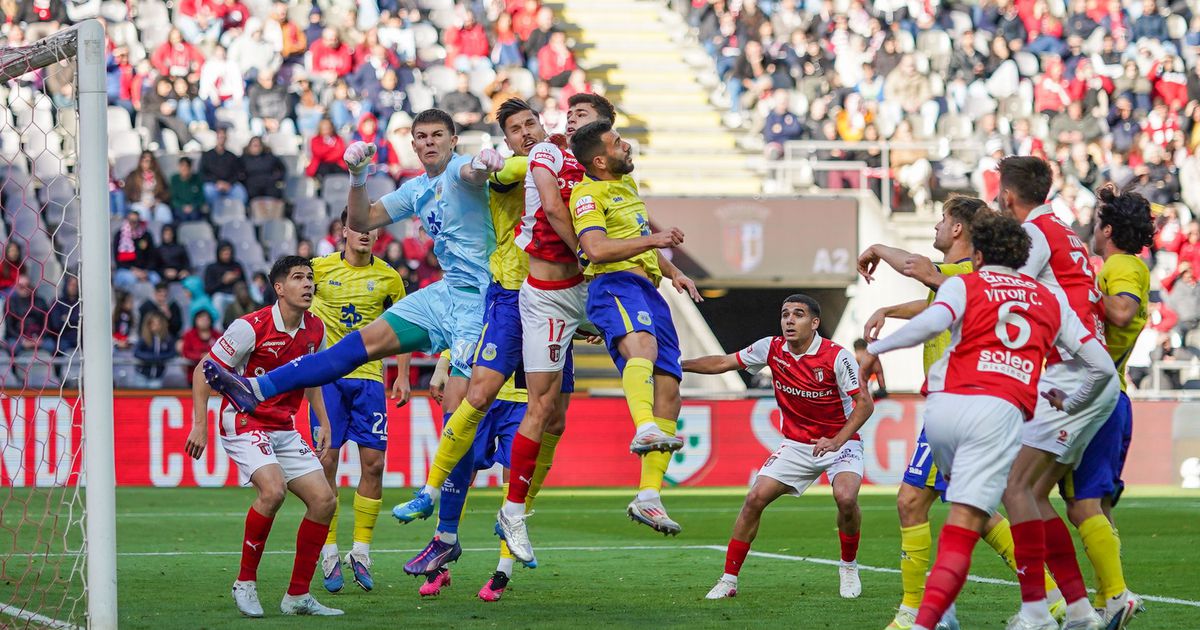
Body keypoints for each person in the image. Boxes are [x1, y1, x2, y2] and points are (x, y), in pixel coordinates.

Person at [201, 111, 505, 527]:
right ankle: (255, 387)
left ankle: (445, 536)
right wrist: (358, 177)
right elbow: (362, 220)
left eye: (438, 135)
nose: (429, 142)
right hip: (445, 293)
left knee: (457, 415)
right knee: (360, 345)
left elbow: (471, 175)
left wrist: (481, 164)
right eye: (421, 136)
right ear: (412, 144)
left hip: (484, 302)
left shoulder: (459, 171)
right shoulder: (418, 189)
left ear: (453, 140)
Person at [863, 213, 1116, 630]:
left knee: (954, 504)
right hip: (998, 413)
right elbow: (1101, 368)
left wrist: (880, 348)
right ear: (1025, 256)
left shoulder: (965, 283)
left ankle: (999, 611)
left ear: (978, 254)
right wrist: (1071, 404)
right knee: (978, 514)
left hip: (944, 408)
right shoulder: (1049, 299)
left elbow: (932, 322)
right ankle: (1031, 608)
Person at [496, 119, 698, 561]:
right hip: (578, 291)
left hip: (621, 287)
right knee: (546, 403)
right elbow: (586, 238)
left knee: (669, 385)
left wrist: (673, 269)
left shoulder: (625, 188)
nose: (627, 146)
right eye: (617, 141)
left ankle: (648, 493)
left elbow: (635, 244)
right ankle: (510, 508)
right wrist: (648, 239)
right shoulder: (572, 177)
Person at [400, 98, 557, 583]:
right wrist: (444, 361)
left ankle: (502, 564)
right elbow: (488, 172)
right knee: (461, 433)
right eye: (516, 128)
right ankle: (443, 536)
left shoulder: (569, 177)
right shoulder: (506, 171)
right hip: (501, 307)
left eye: (532, 124)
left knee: (547, 432)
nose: (526, 133)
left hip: (546, 312)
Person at [995, 156, 1118, 630]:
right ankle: (1081, 611)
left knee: (1015, 488)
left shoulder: (1034, 235)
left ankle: (1037, 613)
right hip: (1082, 371)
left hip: (1071, 373)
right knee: (1035, 495)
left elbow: (1011, 292)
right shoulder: (1063, 229)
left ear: (1008, 195)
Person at [684, 294, 873, 600]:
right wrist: (676, 365)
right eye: (785, 314)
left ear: (814, 323)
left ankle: (848, 567)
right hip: (797, 445)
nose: (789, 320)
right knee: (755, 498)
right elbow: (723, 362)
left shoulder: (836, 356)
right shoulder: (770, 348)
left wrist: (837, 439)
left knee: (846, 497)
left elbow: (865, 404)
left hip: (841, 442)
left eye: (798, 315)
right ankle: (729, 579)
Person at [184, 256, 341, 618]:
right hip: (244, 420)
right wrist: (199, 424)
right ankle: (245, 582)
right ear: (279, 287)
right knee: (272, 491)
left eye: (311, 278)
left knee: (324, 501)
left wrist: (322, 420)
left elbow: (310, 375)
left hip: (284, 427)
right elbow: (203, 370)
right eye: (298, 278)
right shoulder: (249, 327)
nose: (307, 284)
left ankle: (298, 595)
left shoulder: (315, 329)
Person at [1062, 186, 1154, 627]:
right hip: (1107, 395)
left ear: (1109, 230)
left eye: (1099, 224)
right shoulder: (1123, 264)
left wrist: (1076, 298)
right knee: (1091, 507)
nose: (1092, 232)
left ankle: (1115, 595)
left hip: (1099, 397)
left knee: (1079, 506)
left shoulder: (1121, 265)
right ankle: (1107, 598)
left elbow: (1119, 310)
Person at [309, 208, 409, 594]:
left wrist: (401, 372)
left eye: (372, 228)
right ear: (343, 231)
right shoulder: (318, 270)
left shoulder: (389, 277)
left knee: (375, 462)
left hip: (369, 381)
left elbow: (405, 322)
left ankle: (361, 551)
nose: (366, 233)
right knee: (326, 461)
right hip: (328, 380)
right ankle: (329, 551)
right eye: (358, 227)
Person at [200, 127, 249, 212]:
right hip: (213, 185)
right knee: (208, 191)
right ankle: (214, 215)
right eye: (220, 137)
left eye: (223, 137)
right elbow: (202, 173)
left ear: (226, 138)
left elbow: (238, 173)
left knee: (240, 193)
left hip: (230, 185)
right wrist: (216, 182)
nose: (221, 139)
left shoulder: (232, 156)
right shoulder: (207, 155)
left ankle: (239, 214)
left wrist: (229, 183)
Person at [123, 151, 174, 224]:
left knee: (163, 211)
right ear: (140, 161)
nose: (147, 162)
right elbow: (128, 192)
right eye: (144, 159)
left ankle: (162, 233)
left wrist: (158, 200)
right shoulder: (133, 175)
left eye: (149, 160)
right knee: (142, 212)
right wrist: (141, 201)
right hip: (139, 203)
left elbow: (166, 192)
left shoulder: (158, 175)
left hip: (155, 203)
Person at [134, 311, 177, 384]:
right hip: (142, 374)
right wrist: (151, 358)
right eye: (153, 323)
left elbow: (172, 353)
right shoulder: (144, 338)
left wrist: (159, 358)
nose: (155, 326)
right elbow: (137, 352)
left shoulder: (167, 339)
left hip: (157, 376)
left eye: (158, 323)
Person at [206, 241, 247, 316]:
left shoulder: (237, 265)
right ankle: (217, 327)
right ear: (219, 253)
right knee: (218, 299)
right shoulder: (211, 268)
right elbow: (208, 289)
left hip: (235, 295)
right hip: (221, 295)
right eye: (224, 252)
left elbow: (244, 284)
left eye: (228, 252)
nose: (227, 255)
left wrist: (235, 279)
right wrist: (223, 281)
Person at [179, 310, 219, 382]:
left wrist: (209, 356)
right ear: (195, 320)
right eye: (201, 318)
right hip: (194, 374)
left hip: (215, 375)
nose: (204, 321)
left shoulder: (217, 335)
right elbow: (186, 352)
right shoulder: (189, 335)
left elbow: (221, 352)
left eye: (206, 319)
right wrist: (200, 356)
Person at [170, 156, 208, 223]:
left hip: (194, 207)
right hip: (180, 207)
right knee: (182, 216)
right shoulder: (174, 179)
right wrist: (183, 206)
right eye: (182, 166)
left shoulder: (197, 178)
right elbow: (173, 198)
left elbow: (201, 197)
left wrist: (193, 206)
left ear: (190, 167)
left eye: (186, 166)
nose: (184, 169)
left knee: (195, 215)